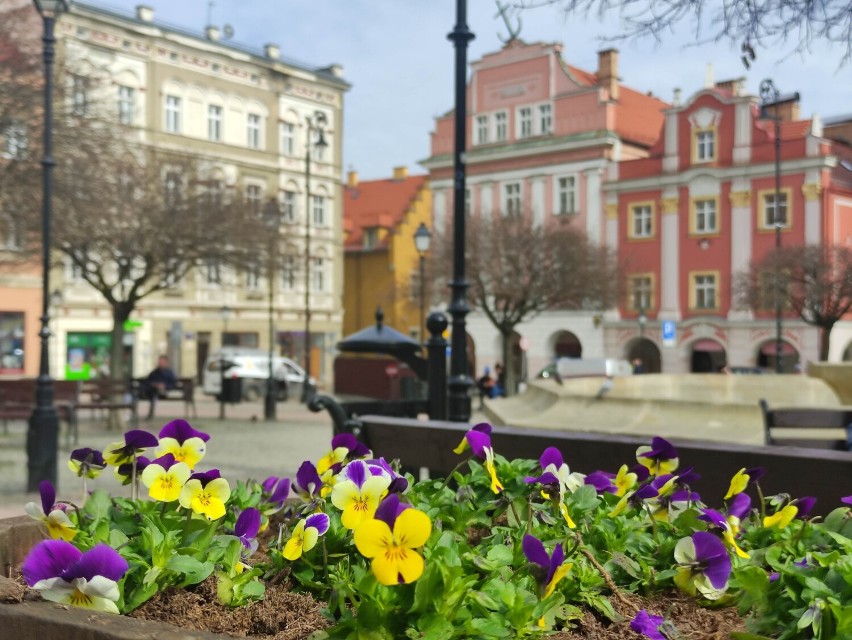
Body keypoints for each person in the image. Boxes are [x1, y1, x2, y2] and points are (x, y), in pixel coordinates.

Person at [145, 355, 177, 419]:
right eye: (159, 361)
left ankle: (161, 392)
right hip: (154, 390)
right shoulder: (154, 372)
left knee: (156, 391)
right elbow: (149, 381)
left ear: (166, 362)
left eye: (162, 362)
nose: (160, 363)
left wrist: (164, 386)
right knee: (152, 391)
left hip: (165, 390)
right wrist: (155, 385)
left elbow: (173, 383)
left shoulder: (169, 372)